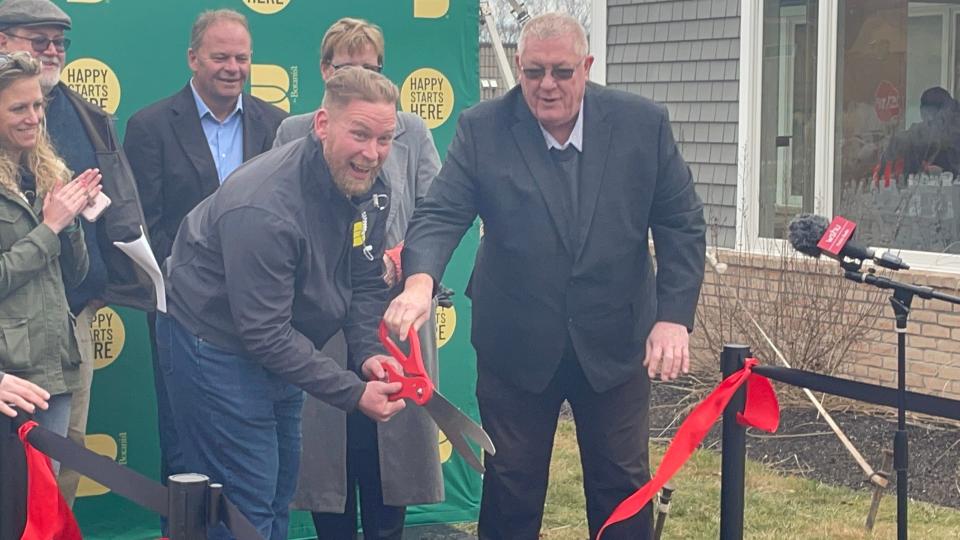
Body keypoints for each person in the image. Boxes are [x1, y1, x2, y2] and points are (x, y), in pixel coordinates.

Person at [384, 12, 706, 540]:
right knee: (511, 482)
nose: (547, 86)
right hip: (515, 338)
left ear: (587, 66)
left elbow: (681, 223)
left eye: (561, 71)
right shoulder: (483, 127)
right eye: (534, 72)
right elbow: (441, 213)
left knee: (621, 483)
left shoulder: (640, 124)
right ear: (518, 66)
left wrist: (673, 318)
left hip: (615, 336)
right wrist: (420, 281)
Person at [157, 66, 407, 540]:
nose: (372, 154)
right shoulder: (266, 206)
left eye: (385, 139)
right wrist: (353, 393)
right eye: (360, 134)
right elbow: (262, 333)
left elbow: (364, 281)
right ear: (322, 124)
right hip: (215, 342)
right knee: (243, 502)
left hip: (282, 338)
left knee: (277, 494)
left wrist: (370, 353)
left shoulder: (370, 186)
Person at [272, 18, 442, 539]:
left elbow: (436, 215)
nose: (363, 76)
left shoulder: (412, 129)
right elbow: (281, 220)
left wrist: (403, 254)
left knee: (392, 446)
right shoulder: (292, 131)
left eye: (372, 67)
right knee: (332, 447)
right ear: (325, 72)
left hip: (395, 315)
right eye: (349, 66)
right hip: (321, 318)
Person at [0, 0, 158, 502]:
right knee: (12, 485)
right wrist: (52, 226)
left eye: (59, 43)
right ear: (3, 41)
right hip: (7, 343)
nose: (52, 51)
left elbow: (82, 245)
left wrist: (70, 226)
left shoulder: (83, 119)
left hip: (67, 326)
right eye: (38, 39)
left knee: (61, 464)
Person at [123, 8, 287, 491]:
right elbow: (142, 225)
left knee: (259, 445)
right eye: (220, 57)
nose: (232, 67)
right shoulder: (149, 126)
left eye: (242, 57)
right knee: (183, 441)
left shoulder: (277, 125)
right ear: (193, 58)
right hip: (182, 313)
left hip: (261, 311)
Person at [0, 51, 102, 449]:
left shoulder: (47, 169)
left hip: (55, 368)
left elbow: (73, 277)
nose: (33, 117)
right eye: (18, 108)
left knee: (45, 503)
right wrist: (50, 227)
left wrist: (71, 218)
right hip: (9, 374)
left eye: (38, 105)